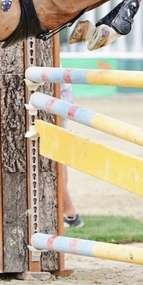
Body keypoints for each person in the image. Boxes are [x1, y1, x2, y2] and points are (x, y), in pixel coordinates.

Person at [60, 82, 84, 228]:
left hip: (56, 94)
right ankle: (66, 212)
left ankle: (70, 213)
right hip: (59, 93)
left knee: (51, 155)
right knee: (56, 154)